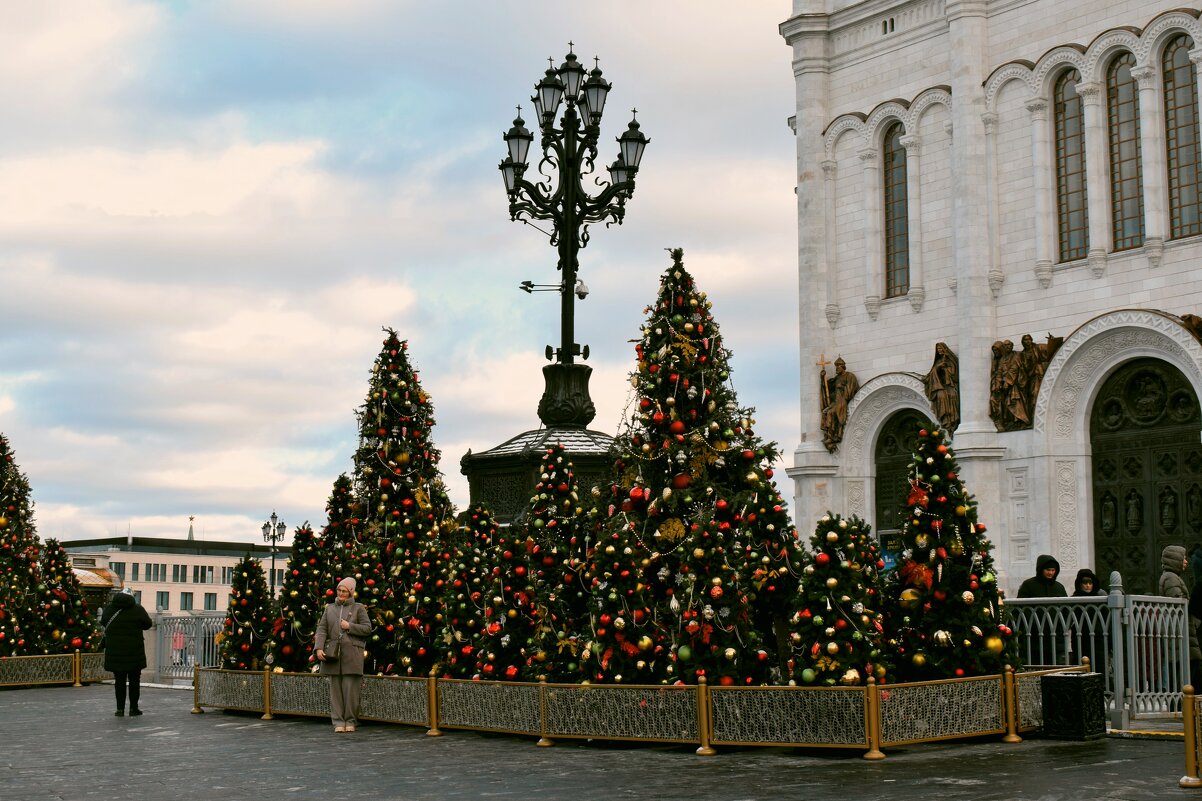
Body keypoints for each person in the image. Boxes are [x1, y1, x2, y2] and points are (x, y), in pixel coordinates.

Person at [316, 577, 372, 733]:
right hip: (333, 655)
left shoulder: (359, 608)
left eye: (344, 591)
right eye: (339, 590)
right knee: (335, 692)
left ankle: (350, 721)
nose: (341, 593)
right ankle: (338, 722)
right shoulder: (330, 609)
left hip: (352, 655)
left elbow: (367, 629)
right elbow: (321, 630)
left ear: (351, 592)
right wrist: (319, 648)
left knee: (351, 692)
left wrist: (350, 626)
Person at [99, 587, 153, 717]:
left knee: (119, 680)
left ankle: (120, 709)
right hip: (134, 651)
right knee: (135, 680)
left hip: (115, 651)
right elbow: (147, 624)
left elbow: (103, 621)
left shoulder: (109, 609)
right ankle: (133, 708)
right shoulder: (138, 609)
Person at [1160, 544, 1202, 686]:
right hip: (1181, 633)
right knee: (1185, 675)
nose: (1186, 562)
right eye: (1183, 559)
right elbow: (1179, 604)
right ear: (1175, 559)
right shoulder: (1171, 578)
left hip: (1182, 632)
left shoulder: (1172, 577)